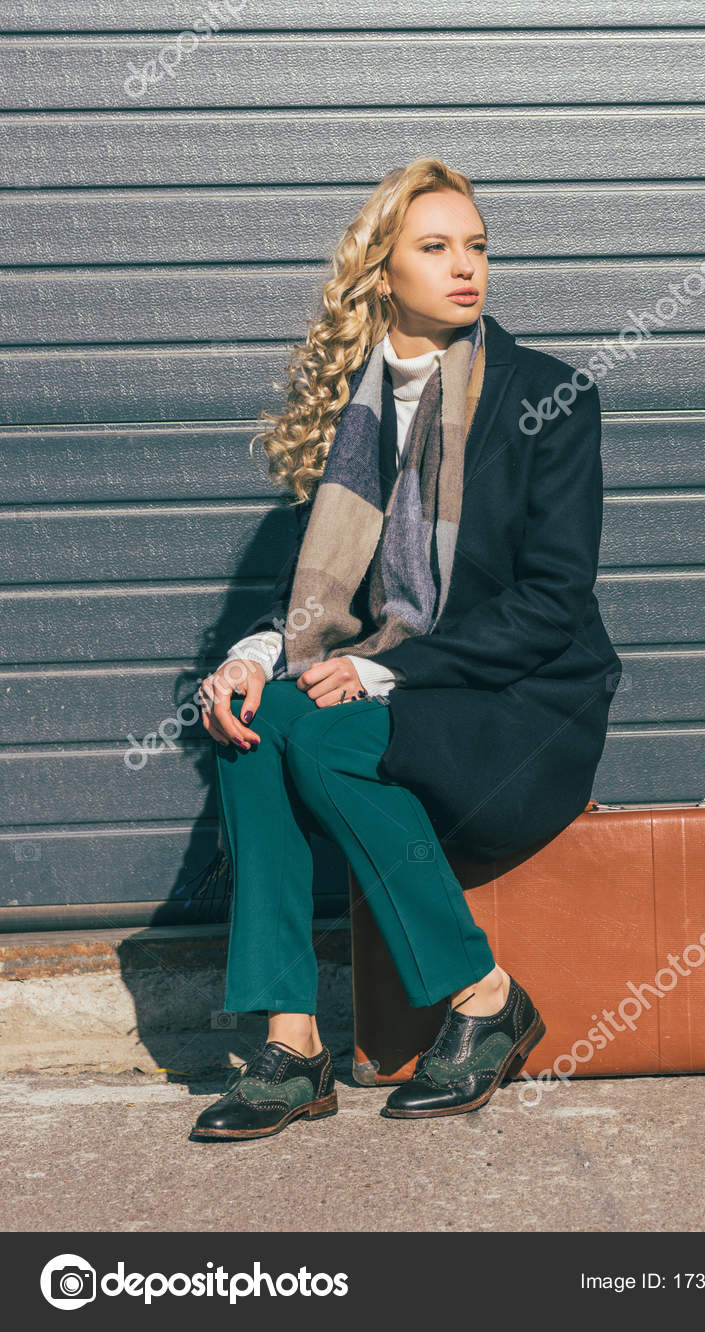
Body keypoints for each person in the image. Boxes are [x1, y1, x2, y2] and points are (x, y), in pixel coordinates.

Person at [189, 156, 623, 1137]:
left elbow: (554, 601)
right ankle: (294, 1043)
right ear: (384, 272)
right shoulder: (357, 409)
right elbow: (317, 590)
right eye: (436, 247)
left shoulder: (548, 397)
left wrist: (383, 666)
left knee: (327, 737)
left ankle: (482, 991)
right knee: (254, 723)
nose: (466, 266)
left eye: (476, 245)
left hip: (521, 705)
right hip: (402, 689)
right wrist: (253, 657)